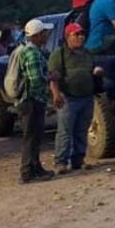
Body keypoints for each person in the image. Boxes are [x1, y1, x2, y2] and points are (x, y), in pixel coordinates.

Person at [48, 23, 103, 175]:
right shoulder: (59, 54)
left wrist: (97, 72)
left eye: (82, 34)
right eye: (76, 34)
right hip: (68, 98)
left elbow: (92, 68)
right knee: (65, 131)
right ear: (68, 37)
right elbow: (53, 76)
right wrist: (56, 94)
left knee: (81, 130)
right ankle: (61, 162)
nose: (81, 37)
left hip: (86, 97)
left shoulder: (87, 53)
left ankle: (78, 160)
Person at [18, 19, 55, 184]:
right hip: (31, 100)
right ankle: (27, 172)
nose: (46, 36)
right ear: (37, 35)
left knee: (34, 136)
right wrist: (51, 78)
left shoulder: (30, 50)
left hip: (30, 100)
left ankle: (35, 168)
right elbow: (36, 80)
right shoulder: (32, 53)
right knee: (31, 137)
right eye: (44, 33)